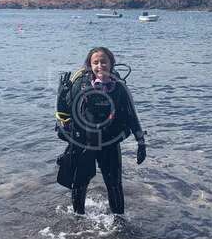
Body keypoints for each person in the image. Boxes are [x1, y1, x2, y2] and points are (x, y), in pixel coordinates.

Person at [55, 47, 146, 215]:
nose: (100, 66)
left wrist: (141, 142)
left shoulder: (119, 88)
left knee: (114, 185)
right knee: (79, 184)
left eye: (104, 62)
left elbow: (131, 115)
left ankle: (119, 221)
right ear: (90, 65)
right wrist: (61, 96)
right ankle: (78, 219)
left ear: (111, 64)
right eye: (95, 62)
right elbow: (63, 115)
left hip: (109, 142)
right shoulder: (79, 84)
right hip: (83, 142)